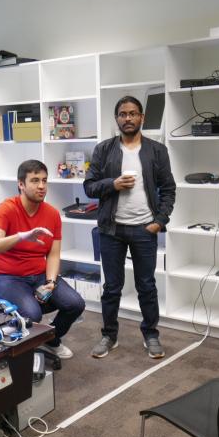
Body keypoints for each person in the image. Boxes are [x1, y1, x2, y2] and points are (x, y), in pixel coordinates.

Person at [84, 96, 176, 359]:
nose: (128, 118)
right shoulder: (103, 150)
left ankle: (150, 335)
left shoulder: (157, 151)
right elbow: (89, 187)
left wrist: (159, 221)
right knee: (112, 287)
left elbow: (169, 190)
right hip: (111, 230)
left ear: (141, 118)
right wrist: (112, 184)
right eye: (123, 114)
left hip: (144, 229)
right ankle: (109, 335)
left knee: (146, 285)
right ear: (117, 119)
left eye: (133, 114)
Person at [0, 159, 85, 359]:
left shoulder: (52, 214)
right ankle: (24, 352)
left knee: (75, 304)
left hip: (39, 275)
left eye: (45, 181)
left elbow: (54, 253)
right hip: (7, 276)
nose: (41, 186)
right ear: (21, 184)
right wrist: (22, 236)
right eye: (35, 180)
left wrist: (50, 282)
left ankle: (50, 340)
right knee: (33, 314)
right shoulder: (6, 209)